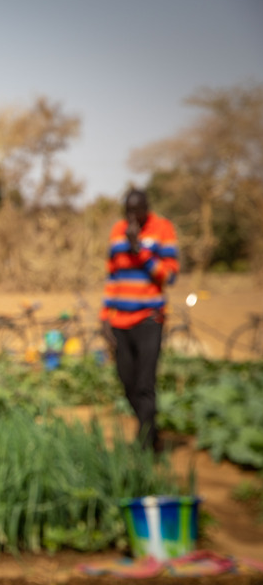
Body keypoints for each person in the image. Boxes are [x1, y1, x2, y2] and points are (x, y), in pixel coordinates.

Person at [100, 188, 178, 451]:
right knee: (128, 384)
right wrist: (104, 318)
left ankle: (146, 447)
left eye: (137, 211)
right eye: (127, 211)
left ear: (147, 208)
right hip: (120, 321)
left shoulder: (162, 229)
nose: (132, 216)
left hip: (149, 319)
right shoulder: (116, 230)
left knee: (145, 385)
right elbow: (113, 277)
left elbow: (168, 276)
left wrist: (139, 250)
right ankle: (152, 436)